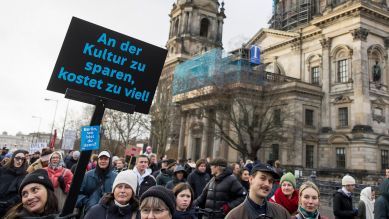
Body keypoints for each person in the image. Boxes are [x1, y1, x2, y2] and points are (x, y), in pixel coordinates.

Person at [225, 163, 290, 219]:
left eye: (270, 181)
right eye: (262, 178)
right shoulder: (234, 216)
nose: (267, 184)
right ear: (250, 179)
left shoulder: (281, 213)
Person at [77, 150, 117, 215]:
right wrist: (87, 202)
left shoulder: (115, 177)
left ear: (109, 161)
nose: (103, 161)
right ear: (98, 160)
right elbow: (78, 193)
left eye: (106, 159)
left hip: (108, 213)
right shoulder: (88, 175)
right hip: (89, 212)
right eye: (101, 159)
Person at [0, 150, 29, 217]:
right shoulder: (2, 170)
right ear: (13, 158)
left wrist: (9, 203)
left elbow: (22, 192)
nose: (20, 161)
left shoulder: (25, 175)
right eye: (18, 158)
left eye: (22, 159)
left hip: (11, 207)